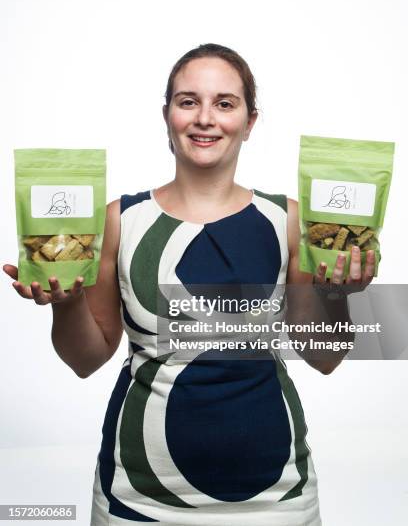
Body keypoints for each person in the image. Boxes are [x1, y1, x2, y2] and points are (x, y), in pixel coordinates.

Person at [3, 43, 375, 526]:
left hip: (276, 496)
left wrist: (336, 293)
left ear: (250, 121)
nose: (205, 118)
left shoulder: (289, 223)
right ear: (167, 115)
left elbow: (325, 356)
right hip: (138, 496)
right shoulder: (119, 221)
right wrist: (64, 303)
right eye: (187, 101)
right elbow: (85, 359)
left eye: (224, 103)